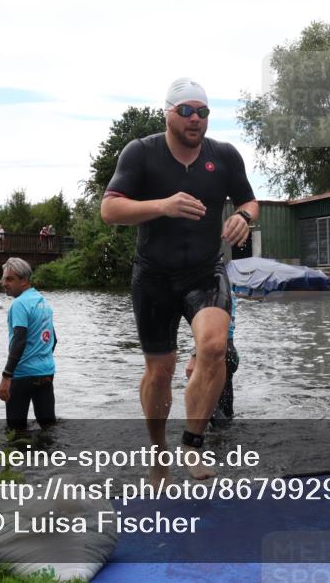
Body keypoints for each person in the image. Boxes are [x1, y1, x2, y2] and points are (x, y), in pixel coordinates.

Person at [101, 77, 258, 482]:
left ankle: (192, 443)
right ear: (167, 113)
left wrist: (243, 217)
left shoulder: (224, 156)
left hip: (205, 271)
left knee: (214, 345)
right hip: (153, 275)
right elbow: (110, 211)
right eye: (185, 111)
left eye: (202, 112)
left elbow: (249, 200)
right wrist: (163, 206)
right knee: (160, 372)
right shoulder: (141, 153)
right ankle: (158, 453)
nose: (195, 119)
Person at [0, 257, 57, 435]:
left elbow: (19, 340)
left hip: (22, 375)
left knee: (16, 432)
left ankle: (20, 462)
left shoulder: (19, 304)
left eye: (9, 279)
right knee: (48, 429)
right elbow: (54, 339)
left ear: (24, 280)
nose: (4, 283)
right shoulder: (43, 302)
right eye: (3, 279)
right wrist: (41, 360)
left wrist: (7, 376)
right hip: (46, 373)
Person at [187, 294, 239, 427]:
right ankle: (227, 441)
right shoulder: (228, 293)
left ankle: (218, 436)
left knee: (207, 406)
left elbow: (210, 332)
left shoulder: (212, 293)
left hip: (215, 353)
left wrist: (195, 354)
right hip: (230, 353)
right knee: (226, 410)